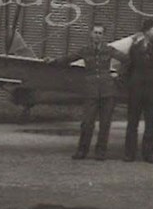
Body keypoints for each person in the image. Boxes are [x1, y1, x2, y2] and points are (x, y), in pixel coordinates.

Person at [48, 24, 128, 161]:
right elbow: (69, 58)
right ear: (91, 34)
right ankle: (82, 151)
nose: (97, 35)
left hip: (108, 91)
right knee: (87, 122)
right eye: (95, 32)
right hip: (91, 91)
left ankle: (100, 152)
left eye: (100, 33)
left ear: (103, 36)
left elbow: (128, 60)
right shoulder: (85, 50)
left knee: (105, 123)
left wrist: (119, 75)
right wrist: (53, 61)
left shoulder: (109, 50)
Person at [124, 19, 153, 164]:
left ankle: (148, 155)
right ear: (146, 32)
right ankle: (129, 154)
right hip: (136, 92)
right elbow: (128, 69)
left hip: (152, 93)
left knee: (151, 124)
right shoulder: (134, 49)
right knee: (132, 124)